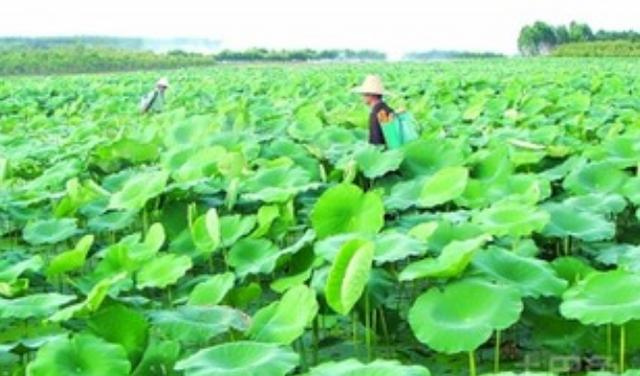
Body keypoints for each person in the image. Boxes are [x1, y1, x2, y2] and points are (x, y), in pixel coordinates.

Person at [352, 75, 394, 146]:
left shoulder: (375, 113)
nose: (362, 97)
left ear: (371, 95)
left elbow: (376, 142)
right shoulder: (388, 109)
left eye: (364, 95)